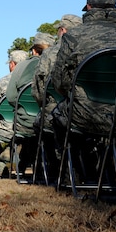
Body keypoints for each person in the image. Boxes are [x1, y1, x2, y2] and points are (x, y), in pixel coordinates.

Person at [51, 0, 116, 137]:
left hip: (86, 116)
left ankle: (73, 158)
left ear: (88, 7)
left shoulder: (74, 36)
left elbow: (59, 83)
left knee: (55, 116)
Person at [32, 15, 82, 181]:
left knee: (44, 122)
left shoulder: (51, 53)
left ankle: (57, 170)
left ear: (63, 30)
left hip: (64, 112)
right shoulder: (91, 46)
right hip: (106, 111)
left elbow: (39, 91)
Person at [5, 32, 54, 175]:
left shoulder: (21, 67)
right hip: (53, 119)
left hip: (25, 121)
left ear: (33, 50)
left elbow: (12, 97)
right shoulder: (57, 63)